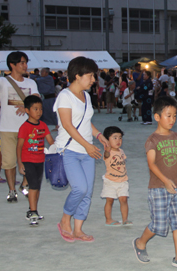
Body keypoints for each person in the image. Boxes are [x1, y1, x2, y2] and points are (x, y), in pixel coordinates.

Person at [132, 96, 177, 269]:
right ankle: (140, 243)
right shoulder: (152, 140)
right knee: (158, 225)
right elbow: (151, 164)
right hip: (158, 188)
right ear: (157, 117)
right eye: (168, 115)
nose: (172, 119)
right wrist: (165, 181)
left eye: (175, 116)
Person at [55, 57, 109, 243]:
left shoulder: (85, 96)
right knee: (80, 188)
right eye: (90, 75)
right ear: (77, 76)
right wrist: (87, 146)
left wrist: (99, 136)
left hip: (87, 151)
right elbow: (68, 125)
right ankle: (65, 219)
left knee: (88, 192)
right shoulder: (64, 96)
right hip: (70, 150)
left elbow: (86, 122)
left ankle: (78, 229)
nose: (94, 80)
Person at [0, 51, 40, 203]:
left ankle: (24, 183)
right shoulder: (3, 81)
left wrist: (26, 106)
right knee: (9, 162)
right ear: (13, 65)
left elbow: (36, 99)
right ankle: (11, 191)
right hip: (8, 129)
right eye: (22, 62)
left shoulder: (31, 83)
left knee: (29, 160)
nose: (25, 65)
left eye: (25, 62)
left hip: (27, 129)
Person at [16, 95, 54, 226]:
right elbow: (19, 146)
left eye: (40, 109)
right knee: (33, 186)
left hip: (40, 160)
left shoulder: (43, 125)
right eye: (35, 109)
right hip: (28, 160)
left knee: (37, 187)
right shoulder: (24, 127)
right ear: (27, 110)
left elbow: (50, 141)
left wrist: (58, 149)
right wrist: (20, 163)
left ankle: (32, 211)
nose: (39, 112)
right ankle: (33, 211)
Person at [101, 126, 131, 227]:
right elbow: (105, 155)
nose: (118, 140)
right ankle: (108, 219)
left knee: (124, 200)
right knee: (109, 201)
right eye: (114, 137)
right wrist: (107, 150)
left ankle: (125, 219)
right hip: (110, 181)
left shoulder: (121, 151)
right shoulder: (108, 152)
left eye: (120, 137)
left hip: (123, 181)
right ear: (107, 140)